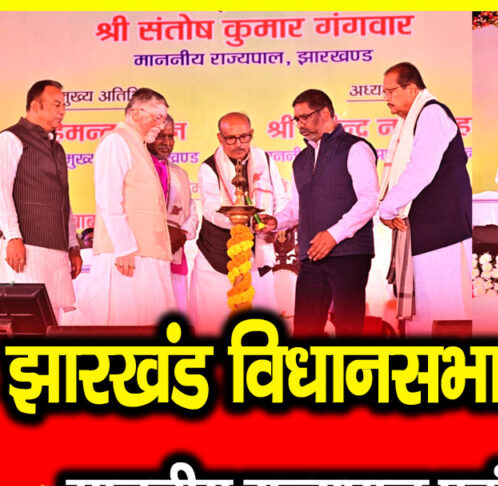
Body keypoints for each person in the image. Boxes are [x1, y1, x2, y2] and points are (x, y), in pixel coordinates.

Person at [259, 89, 379, 337]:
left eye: (305, 117)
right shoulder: (301, 160)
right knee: (305, 328)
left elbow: (369, 199)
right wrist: (276, 221)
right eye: (296, 119)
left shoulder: (355, 148)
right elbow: (297, 207)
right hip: (312, 255)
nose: (300, 124)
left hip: (349, 253)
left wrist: (334, 235)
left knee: (348, 328)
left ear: (325, 113)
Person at [378, 62, 473, 336]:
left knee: (441, 310)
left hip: (442, 232)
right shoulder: (409, 121)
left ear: (411, 88)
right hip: (425, 230)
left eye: (391, 91)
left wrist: (388, 208)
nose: (386, 98)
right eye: (384, 93)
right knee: (425, 310)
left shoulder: (431, 114)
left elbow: (421, 169)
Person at [0, 80, 81, 320]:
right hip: (24, 247)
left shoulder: (57, 149)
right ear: (35, 106)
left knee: (51, 321)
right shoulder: (9, 139)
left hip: (56, 251)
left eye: (64, 105)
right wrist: (13, 236)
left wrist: (73, 246)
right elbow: (1, 190)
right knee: (22, 321)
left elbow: (63, 201)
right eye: (56, 104)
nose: (62, 111)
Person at [190, 112, 288, 335]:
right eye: (231, 138)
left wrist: (275, 223)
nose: (238, 144)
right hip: (217, 262)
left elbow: (280, 199)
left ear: (251, 134)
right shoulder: (209, 167)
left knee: (262, 330)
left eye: (244, 137)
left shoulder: (265, 161)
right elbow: (210, 210)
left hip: (258, 258)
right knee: (216, 328)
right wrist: (242, 221)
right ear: (220, 138)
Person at [86, 87, 175, 325]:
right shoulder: (117, 141)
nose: (161, 125)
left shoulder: (138, 145)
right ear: (135, 113)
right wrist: (124, 248)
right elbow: (108, 199)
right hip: (127, 256)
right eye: (156, 118)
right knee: (124, 327)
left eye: (163, 119)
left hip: (145, 254)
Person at [147, 115, 198, 315]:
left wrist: (182, 234)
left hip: (175, 251)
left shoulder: (180, 174)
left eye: (171, 136)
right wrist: (161, 233)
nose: (167, 142)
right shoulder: (136, 170)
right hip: (146, 255)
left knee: (176, 316)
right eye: (161, 136)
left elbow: (192, 210)